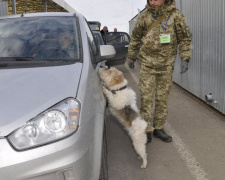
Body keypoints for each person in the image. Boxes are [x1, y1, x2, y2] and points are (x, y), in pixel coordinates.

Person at [127, 0, 192, 143]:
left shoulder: (175, 16)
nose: (153, 2)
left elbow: (185, 38)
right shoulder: (144, 17)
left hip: (166, 65)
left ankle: (159, 128)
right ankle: (147, 128)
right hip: (147, 65)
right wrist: (131, 57)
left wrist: (185, 58)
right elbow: (136, 38)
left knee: (162, 98)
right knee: (146, 98)